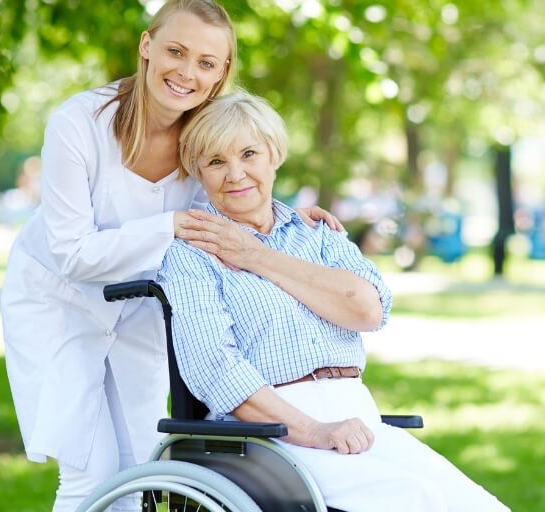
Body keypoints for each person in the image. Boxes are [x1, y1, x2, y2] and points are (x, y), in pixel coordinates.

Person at [0, 2, 341, 510]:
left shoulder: (206, 137)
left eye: (206, 62)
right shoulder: (79, 123)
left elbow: (236, 194)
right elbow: (71, 254)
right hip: (59, 301)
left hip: (141, 305)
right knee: (87, 472)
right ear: (146, 46)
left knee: (143, 466)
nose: (187, 72)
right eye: (176, 52)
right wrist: (170, 225)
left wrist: (291, 216)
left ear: (222, 72)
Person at [157, 91, 509, 511]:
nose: (235, 173)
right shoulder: (192, 255)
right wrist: (314, 430)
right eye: (216, 162)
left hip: (359, 416)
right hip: (268, 438)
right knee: (415, 499)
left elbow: (368, 309)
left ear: (274, 155)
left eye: (249, 153)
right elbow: (214, 370)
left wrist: (254, 256)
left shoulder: (318, 236)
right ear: (199, 173)